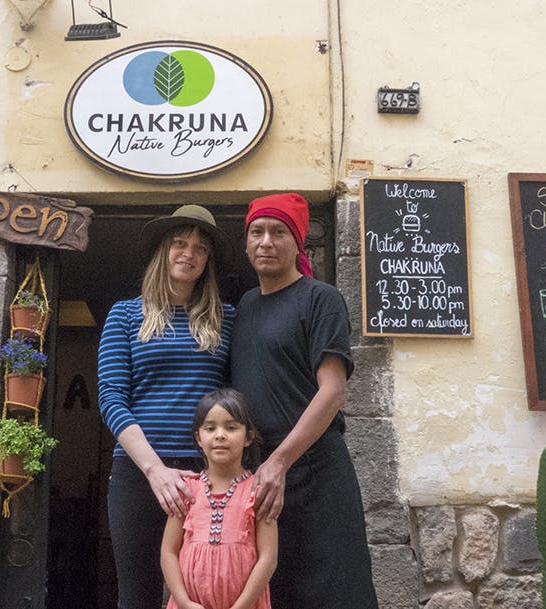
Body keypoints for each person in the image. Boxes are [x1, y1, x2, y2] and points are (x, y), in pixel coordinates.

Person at [229, 193, 380, 609]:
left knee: (336, 590)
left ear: (298, 243)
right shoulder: (243, 307)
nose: (266, 242)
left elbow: (333, 391)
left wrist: (279, 461)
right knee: (275, 590)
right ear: (245, 244)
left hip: (314, 470)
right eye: (256, 232)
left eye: (279, 232)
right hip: (260, 474)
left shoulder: (321, 299)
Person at [98, 204, 235, 609]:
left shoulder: (227, 319)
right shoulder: (124, 315)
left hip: (206, 474)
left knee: (203, 590)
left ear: (207, 261)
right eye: (179, 243)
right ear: (164, 251)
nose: (188, 253)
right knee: (137, 593)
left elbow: (237, 399)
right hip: (138, 473)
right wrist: (154, 469)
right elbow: (110, 398)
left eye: (199, 248)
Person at [161, 388, 277, 609]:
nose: (220, 435)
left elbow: (268, 558)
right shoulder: (186, 491)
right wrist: (184, 603)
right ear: (199, 438)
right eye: (210, 428)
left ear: (248, 437)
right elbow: (168, 551)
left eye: (231, 427)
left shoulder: (259, 490)